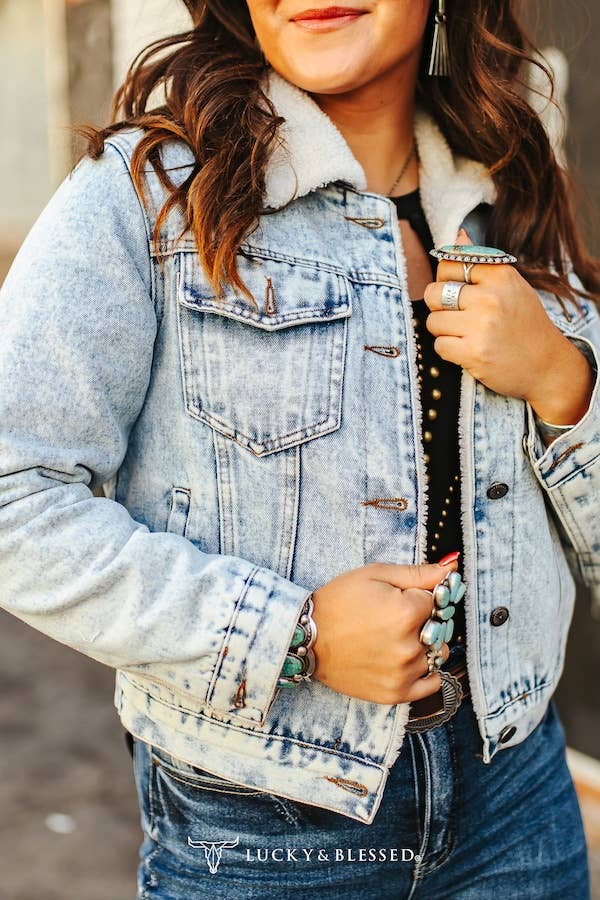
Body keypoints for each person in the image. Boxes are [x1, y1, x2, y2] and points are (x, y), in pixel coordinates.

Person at [0, 1, 599, 897]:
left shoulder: (508, 192)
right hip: (260, 828)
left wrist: (563, 382)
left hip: (515, 800)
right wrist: (292, 635)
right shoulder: (147, 194)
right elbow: (15, 498)